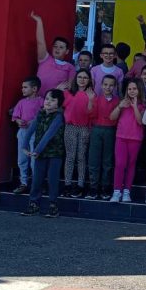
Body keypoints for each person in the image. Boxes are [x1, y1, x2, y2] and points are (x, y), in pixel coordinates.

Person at [20, 89, 67, 217]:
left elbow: (48, 135)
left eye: (53, 100)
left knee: (52, 180)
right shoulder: (40, 114)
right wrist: (24, 146)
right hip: (40, 153)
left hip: (54, 153)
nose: (48, 102)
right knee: (37, 179)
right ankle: (33, 204)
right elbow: (30, 130)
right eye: (47, 99)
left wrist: (36, 151)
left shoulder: (58, 117)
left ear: (59, 103)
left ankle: (53, 206)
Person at [110, 79, 145, 203]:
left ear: (139, 90)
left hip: (135, 138)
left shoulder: (143, 105)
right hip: (121, 137)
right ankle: (116, 191)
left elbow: (140, 121)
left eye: (134, 89)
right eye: (129, 89)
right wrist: (119, 107)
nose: (132, 91)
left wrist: (135, 107)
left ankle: (126, 191)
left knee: (131, 165)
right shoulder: (122, 103)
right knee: (120, 164)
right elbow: (112, 117)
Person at [62, 69, 95, 197]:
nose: (82, 80)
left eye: (85, 77)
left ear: (89, 80)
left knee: (81, 157)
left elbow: (91, 113)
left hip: (84, 128)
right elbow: (58, 105)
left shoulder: (91, 94)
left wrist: (91, 100)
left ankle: (80, 184)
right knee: (70, 157)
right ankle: (67, 184)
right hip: (70, 127)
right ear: (75, 79)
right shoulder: (68, 93)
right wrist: (58, 89)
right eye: (80, 77)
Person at [87, 73, 119, 200]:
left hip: (110, 131)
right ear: (101, 85)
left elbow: (116, 118)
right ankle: (93, 187)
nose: (108, 87)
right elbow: (90, 114)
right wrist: (90, 100)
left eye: (111, 85)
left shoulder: (117, 101)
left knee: (108, 160)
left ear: (115, 87)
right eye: (105, 84)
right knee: (93, 159)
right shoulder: (96, 98)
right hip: (96, 129)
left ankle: (105, 187)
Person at [10, 76, 43, 194]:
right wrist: (18, 121)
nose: (22, 89)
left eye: (25, 87)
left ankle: (36, 183)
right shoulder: (21, 102)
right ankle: (23, 182)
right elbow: (15, 116)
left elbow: (43, 116)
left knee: (34, 158)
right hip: (23, 132)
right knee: (22, 158)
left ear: (34, 89)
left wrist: (32, 122)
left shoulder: (41, 101)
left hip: (35, 132)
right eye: (22, 87)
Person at [31, 11, 74, 92]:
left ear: (67, 51)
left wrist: (56, 90)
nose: (57, 49)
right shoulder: (45, 59)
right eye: (55, 46)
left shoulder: (70, 67)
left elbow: (69, 87)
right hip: (38, 98)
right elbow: (40, 42)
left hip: (55, 98)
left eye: (61, 47)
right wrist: (39, 22)